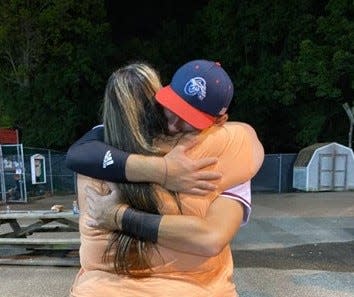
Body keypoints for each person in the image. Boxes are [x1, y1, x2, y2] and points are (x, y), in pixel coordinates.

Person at [69, 60, 264, 297]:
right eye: (172, 108)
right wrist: (162, 170)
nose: (173, 125)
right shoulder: (234, 146)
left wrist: (119, 216)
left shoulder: (102, 152)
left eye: (190, 119)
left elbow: (211, 238)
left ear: (219, 120)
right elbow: (78, 153)